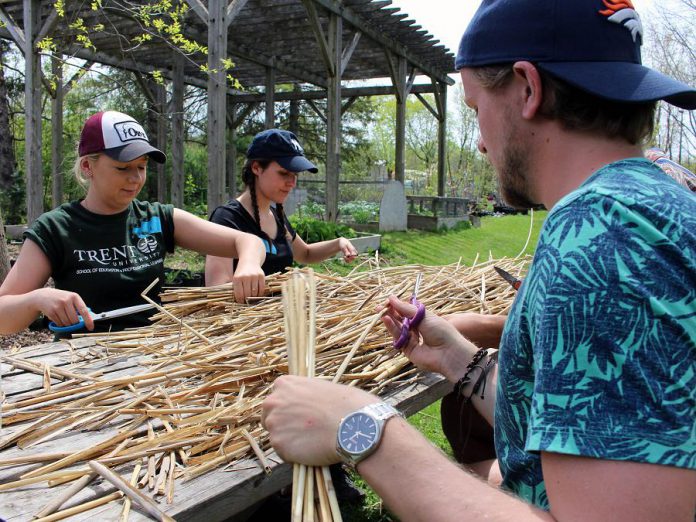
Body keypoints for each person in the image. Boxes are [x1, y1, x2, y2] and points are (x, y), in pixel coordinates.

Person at [262, 1, 696, 520]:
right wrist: (456, 359)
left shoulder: (603, 237)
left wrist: (362, 425)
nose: (482, 145)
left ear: (528, 89)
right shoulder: (649, 205)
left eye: (474, 109)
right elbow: (583, 419)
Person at [0, 110, 266, 335]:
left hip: (153, 359)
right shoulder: (55, 229)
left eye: (141, 166)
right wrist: (37, 299)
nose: (136, 178)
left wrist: (249, 263)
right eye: (122, 168)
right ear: (87, 167)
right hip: (84, 368)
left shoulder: (157, 217)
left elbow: (247, 240)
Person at [205, 129, 357, 284]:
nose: (292, 182)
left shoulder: (277, 216)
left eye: (295, 175)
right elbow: (217, 288)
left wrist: (338, 243)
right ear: (257, 168)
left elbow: (305, 253)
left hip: (283, 308)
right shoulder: (227, 219)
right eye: (284, 173)